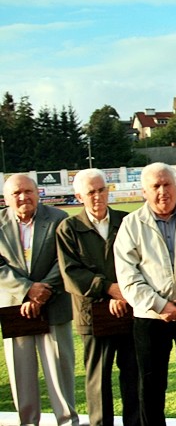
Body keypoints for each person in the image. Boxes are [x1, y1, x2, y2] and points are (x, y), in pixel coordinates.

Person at [114, 162, 176, 426]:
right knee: (151, 383)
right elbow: (128, 276)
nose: (162, 191)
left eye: (167, 184)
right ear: (144, 191)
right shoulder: (131, 225)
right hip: (150, 319)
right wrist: (159, 305)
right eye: (155, 186)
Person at [56, 168, 140, 426]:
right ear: (79, 196)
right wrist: (107, 288)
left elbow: (140, 261)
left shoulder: (127, 221)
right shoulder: (69, 228)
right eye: (91, 192)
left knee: (133, 375)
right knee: (98, 380)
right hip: (92, 315)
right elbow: (71, 273)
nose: (97, 196)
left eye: (102, 190)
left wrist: (123, 293)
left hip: (128, 310)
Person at [0, 174, 79, 426]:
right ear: (6, 198)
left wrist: (41, 292)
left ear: (38, 193)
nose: (23, 197)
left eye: (28, 191)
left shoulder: (58, 218)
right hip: (15, 307)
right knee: (21, 373)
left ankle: (67, 421)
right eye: (16, 193)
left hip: (53, 304)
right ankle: (27, 422)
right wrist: (27, 290)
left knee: (59, 371)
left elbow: (65, 259)